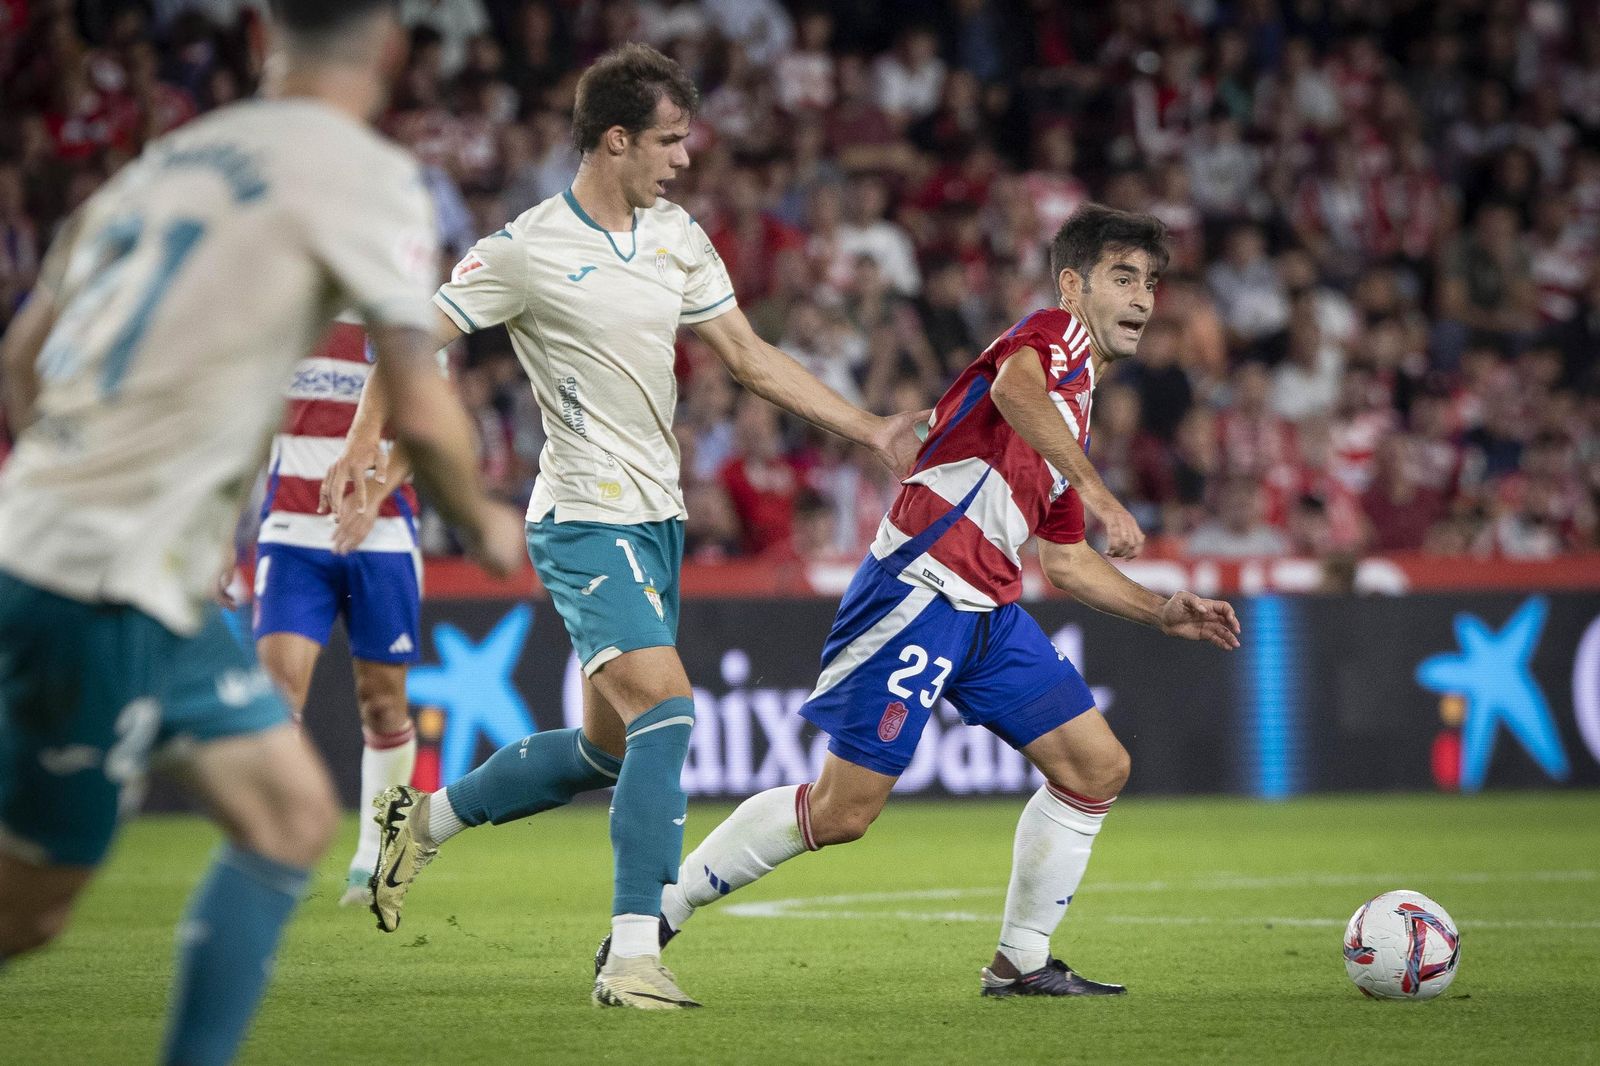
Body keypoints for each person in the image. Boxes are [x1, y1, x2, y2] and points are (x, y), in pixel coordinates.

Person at [326, 42, 924, 1011]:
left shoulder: (678, 235)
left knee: (608, 751)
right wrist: (361, 446)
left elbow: (749, 357)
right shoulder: (524, 249)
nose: (684, 159)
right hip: (581, 518)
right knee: (671, 709)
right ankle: (632, 954)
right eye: (669, 141)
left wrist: (869, 429)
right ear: (614, 141)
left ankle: (420, 821)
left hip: (659, 520)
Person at [0, 3, 525, 1064]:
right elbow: (421, 401)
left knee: (290, 812)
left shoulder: (159, 166)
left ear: (256, 40)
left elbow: (21, 362)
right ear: (388, 51)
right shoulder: (365, 177)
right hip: (99, 578)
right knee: (29, 909)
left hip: (110, 559)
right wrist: (484, 521)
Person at [636, 205, 1242, 997]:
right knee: (844, 810)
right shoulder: (1052, 339)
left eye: (1151, 283)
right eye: (1123, 278)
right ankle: (656, 912)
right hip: (920, 588)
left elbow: (1065, 562)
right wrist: (1100, 492)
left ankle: (1019, 960)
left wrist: (1161, 610)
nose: (1142, 299)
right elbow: (1016, 386)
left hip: (986, 609)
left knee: (1096, 767)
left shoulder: (1078, 410)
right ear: (1073, 284)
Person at [249, 316, 430, 907]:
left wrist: (374, 496)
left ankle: (376, 850)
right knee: (277, 693)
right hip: (291, 530)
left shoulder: (406, 316)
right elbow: (242, 427)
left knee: (382, 700)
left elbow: (425, 429)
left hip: (382, 532)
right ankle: (278, 849)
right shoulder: (287, 310)